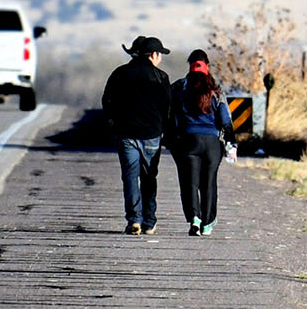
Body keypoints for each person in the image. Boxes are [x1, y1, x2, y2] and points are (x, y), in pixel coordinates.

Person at [99, 36, 176, 235]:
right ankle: (149, 222)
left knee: (130, 177)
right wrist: (167, 134)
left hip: (126, 135)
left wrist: (113, 124)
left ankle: (134, 220)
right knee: (149, 178)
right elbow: (167, 110)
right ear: (155, 55)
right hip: (151, 135)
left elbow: (107, 101)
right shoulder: (161, 77)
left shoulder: (119, 74)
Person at [167, 48, 234, 236]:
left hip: (188, 141)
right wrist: (231, 143)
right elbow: (225, 119)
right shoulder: (216, 90)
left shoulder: (179, 87)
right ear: (208, 66)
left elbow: (170, 116)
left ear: (189, 65)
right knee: (209, 182)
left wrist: (171, 139)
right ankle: (208, 223)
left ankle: (194, 218)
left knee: (190, 182)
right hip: (212, 144)